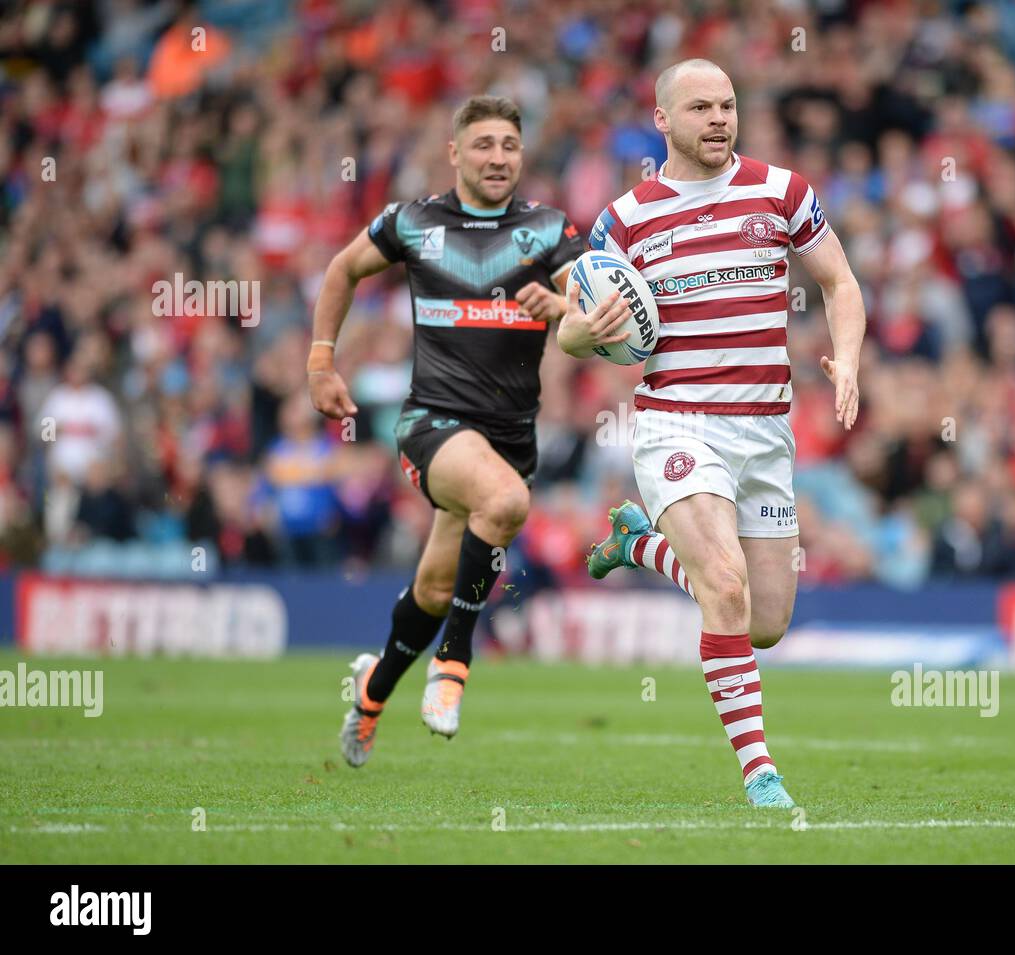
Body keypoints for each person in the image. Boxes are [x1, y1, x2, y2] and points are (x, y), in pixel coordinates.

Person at [557, 60, 866, 808]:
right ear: (662, 120)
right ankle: (762, 773)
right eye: (700, 107)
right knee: (722, 588)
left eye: (728, 105)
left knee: (764, 622)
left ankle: (637, 545)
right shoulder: (626, 218)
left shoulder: (782, 191)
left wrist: (848, 359)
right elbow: (567, 328)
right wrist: (589, 334)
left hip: (766, 430)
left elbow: (840, 282)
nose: (720, 118)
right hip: (677, 423)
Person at [309, 95, 597, 767]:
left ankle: (369, 697)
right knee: (504, 503)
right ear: (455, 152)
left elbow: (589, 326)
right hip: (431, 423)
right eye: (484, 145)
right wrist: (322, 358)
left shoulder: (550, 231)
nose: (497, 158)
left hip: (510, 440)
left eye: (509, 147)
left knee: (436, 589)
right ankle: (455, 663)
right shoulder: (412, 222)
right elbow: (342, 269)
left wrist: (562, 308)